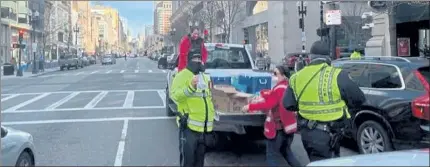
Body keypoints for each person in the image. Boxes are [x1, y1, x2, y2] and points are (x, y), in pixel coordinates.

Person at [283, 41, 366, 161]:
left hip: (307, 133)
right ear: (328, 58)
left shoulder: (296, 77)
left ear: (310, 58)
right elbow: (359, 99)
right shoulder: (337, 75)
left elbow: (288, 104)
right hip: (331, 133)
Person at [242, 65, 302, 167]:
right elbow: (275, 98)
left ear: (284, 76)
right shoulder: (288, 87)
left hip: (278, 129)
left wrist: (250, 106)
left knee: (272, 156)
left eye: (276, 74)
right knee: (286, 152)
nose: (273, 76)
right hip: (287, 129)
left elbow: (269, 104)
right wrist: (265, 93)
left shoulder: (279, 89)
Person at [170, 53, 214, 167]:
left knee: (199, 162)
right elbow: (174, 96)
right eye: (195, 59)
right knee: (188, 162)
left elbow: (208, 99)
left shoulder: (204, 76)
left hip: (203, 128)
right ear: (189, 61)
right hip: (189, 127)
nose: (198, 61)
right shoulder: (181, 76)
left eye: (200, 58)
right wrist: (190, 88)